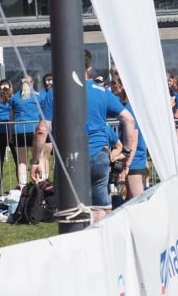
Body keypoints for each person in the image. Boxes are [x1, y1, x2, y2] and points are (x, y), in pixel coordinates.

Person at [32, 50, 136, 223]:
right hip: (99, 157)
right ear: (89, 69)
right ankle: (100, 245)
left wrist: (36, 160)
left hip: (69, 158)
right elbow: (129, 120)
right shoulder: (102, 92)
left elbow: (42, 130)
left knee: (69, 210)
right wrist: (125, 152)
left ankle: (77, 244)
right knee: (100, 208)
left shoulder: (54, 93)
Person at [10, 75, 42, 187]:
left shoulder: (14, 97)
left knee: (21, 161)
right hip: (34, 130)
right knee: (38, 158)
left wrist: (11, 133)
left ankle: (22, 186)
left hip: (19, 130)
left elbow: (11, 117)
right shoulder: (39, 96)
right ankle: (39, 184)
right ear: (32, 83)